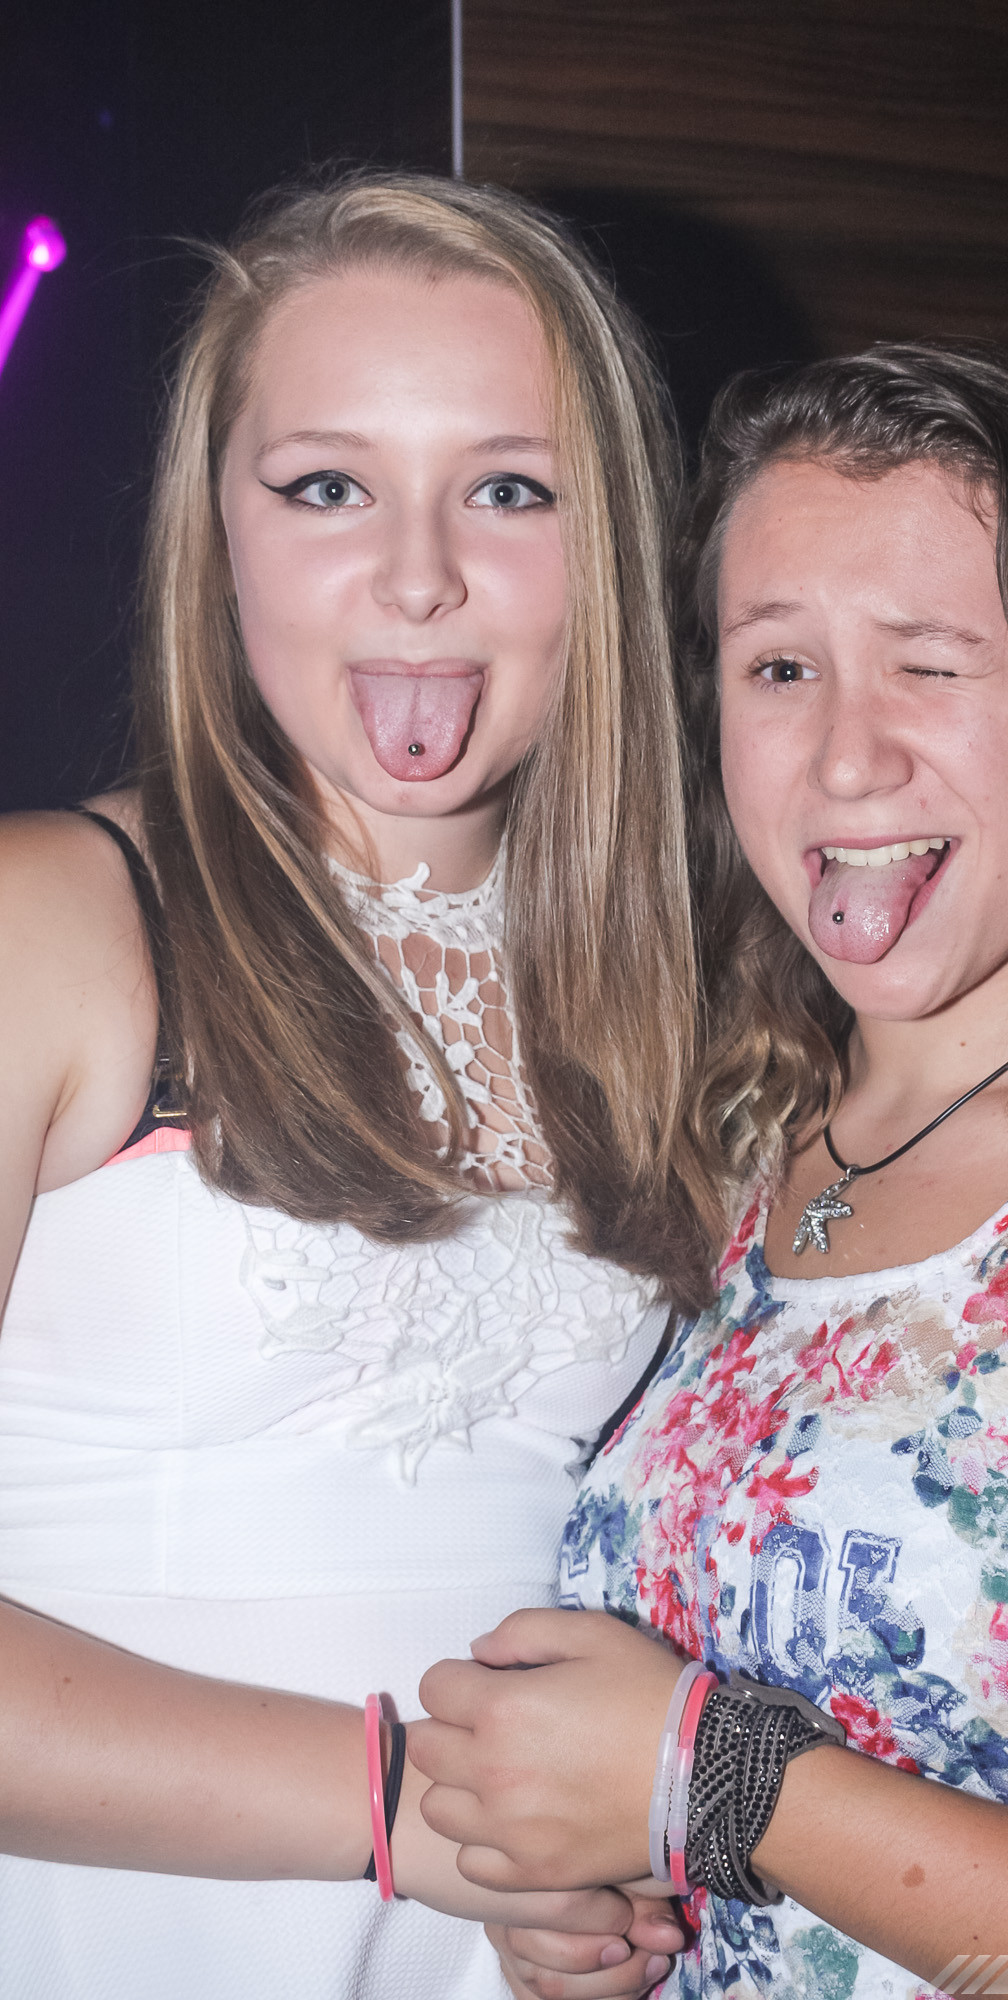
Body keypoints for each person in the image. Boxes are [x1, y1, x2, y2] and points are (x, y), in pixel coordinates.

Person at [411, 344, 1008, 1996]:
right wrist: (590, 1888)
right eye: (779, 667)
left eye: (932, 662)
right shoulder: (728, 1152)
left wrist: (728, 1787)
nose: (845, 758)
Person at [0, 169, 707, 1998]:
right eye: (328, 486)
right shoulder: (52, 920)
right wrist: (407, 1809)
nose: (416, 573)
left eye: (509, 488)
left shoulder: (681, 1002)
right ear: (215, 535)